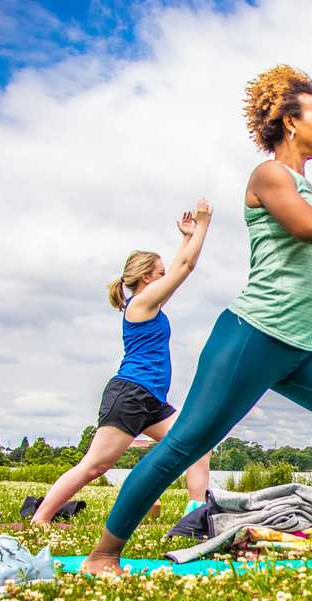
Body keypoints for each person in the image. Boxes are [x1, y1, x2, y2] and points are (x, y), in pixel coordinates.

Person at [80, 65, 312, 574]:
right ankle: (103, 555)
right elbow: (308, 228)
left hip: (305, 349)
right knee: (185, 444)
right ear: (290, 123)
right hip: (253, 336)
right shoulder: (270, 177)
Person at [31, 202, 214, 524]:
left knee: (199, 443)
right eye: (159, 273)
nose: (164, 276)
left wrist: (185, 238)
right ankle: (41, 517)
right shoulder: (142, 302)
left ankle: (196, 515)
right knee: (96, 466)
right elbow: (184, 269)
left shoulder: (151, 301)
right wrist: (203, 225)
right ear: (146, 277)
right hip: (130, 395)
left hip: (152, 400)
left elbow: (176, 268)